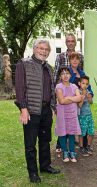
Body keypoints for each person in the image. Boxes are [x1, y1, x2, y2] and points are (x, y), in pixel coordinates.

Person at [15, 39, 60, 183]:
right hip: (31, 110)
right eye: (41, 48)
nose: (44, 52)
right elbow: (20, 88)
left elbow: (52, 88)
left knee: (45, 140)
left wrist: (53, 106)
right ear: (34, 49)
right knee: (30, 144)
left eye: (46, 50)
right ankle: (33, 173)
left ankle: (45, 166)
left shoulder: (48, 67)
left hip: (46, 110)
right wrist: (23, 109)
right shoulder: (24, 64)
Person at [55, 52, 92, 156]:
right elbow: (61, 98)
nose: (75, 61)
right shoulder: (67, 72)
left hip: (78, 104)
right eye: (72, 59)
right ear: (69, 61)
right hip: (66, 105)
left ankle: (81, 146)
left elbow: (87, 86)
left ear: (80, 61)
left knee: (76, 126)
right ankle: (61, 146)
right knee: (63, 126)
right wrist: (71, 98)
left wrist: (89, 94)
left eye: (77, 59)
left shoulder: (82, 73)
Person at [55, 67, 82, 163]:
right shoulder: (59, 87)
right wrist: (73, 98)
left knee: (71, 133)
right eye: (62, 74)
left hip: (72, 114)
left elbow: (79, 98)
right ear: (60, 76)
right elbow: (61, 101)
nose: (65, 75)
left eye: (67, 73)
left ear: (71, 75)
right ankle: (65, 152)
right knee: (62, 133)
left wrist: (69, 98)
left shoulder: (74, 86)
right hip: (62, 115)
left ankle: (72, 152)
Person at [78, 76, 95, 156]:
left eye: (87, 84)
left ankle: (88, 146)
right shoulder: (78, 92)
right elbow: (79, 105)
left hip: (89, 115)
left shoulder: (88, 91)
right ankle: (81, 147)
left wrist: (89, 98)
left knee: (91, 132)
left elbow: (91, 103)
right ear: (79, 84)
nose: (85, 85)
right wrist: (83, 96)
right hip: (82, 116)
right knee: (82, 133)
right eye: (83, 83)